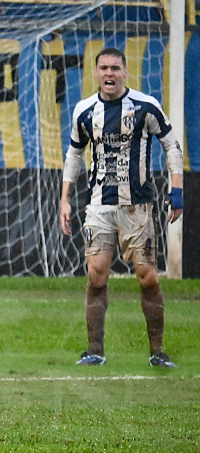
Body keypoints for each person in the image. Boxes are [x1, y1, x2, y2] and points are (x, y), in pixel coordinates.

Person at [60, 47, 184, 367]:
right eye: (104, 68)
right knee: (96, 274)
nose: (109, 73)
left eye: (115, 68)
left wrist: (177, 190)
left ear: (125, 72)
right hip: (99, 206)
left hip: (137, 207)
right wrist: (64, 199)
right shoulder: (85, 110)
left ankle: (157, 352)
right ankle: (95, 351)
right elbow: (74, 155)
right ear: (96, 72)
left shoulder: (146, 106)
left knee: (148, 277)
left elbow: (171, 145)